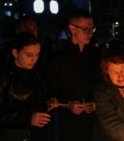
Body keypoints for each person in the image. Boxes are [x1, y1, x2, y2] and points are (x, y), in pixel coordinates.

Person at [45, 8, 101, 141]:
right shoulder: (57, 59)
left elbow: (104, 85)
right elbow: (50, 93)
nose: (89, 34)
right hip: (68, 123)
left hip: (95, 120)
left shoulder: (97, 55)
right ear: (72, 28)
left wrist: (96, 103)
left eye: (91, 29)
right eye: (86, 29)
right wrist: (66, 104)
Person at [0, 32, 52, 141]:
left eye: (37, 54)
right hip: (16, 136)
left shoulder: (37, 73)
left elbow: (39, 98)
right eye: (29, 55)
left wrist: (50, 102)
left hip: (39, 134)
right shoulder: (3, 77)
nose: (34, 59)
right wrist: (28, 120)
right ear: (15, 52)